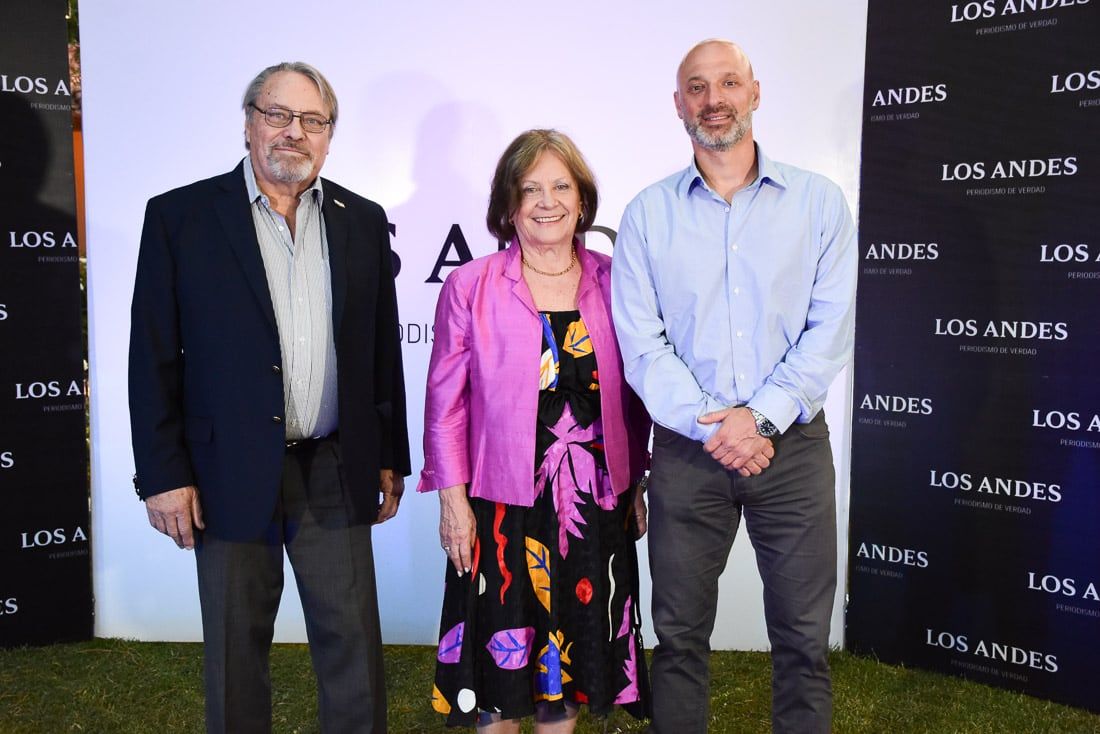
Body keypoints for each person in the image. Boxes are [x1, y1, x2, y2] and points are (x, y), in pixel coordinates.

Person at [128, 61, 410, 734]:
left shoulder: (361, 220)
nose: (295, 132)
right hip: (226, 471)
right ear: (249, 120)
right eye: (279, 114)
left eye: (312, 120)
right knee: (235, 651)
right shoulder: (180, 218)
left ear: (330, 135)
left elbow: (378, 352)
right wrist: (164, 477)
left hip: (335, 466)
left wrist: (388, 454)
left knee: (353, 649)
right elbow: (152, 357)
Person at [611, 39, 857, 734]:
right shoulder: (647, 215)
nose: (712, 99)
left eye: (726, 83)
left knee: (803, 642)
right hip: (690, 453)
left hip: (794, 450)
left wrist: (761, 419)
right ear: (678, 104)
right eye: (697, 87)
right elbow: (642, 343)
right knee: (680, 638)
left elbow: (828, 330)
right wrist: (712, 425)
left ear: (755, 92)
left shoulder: (818, 203)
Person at [418, 129, 652, 731]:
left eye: (560, 186)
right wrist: (452, 500)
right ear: (509, 204)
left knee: (566, 673)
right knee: (502, 673)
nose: (547, 202)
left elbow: (637, 391)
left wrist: (638, 484)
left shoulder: (615, 277)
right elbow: (445, 406)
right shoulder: (472, 285)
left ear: (582, 199)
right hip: (501, 509)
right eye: (531, 189)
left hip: (593, 506)